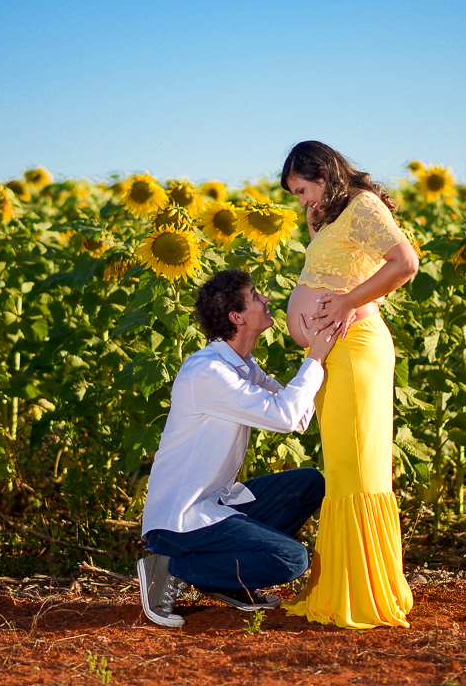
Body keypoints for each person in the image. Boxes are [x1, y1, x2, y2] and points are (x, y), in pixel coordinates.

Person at [137, 268, 340, 628]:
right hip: (180, 521)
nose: (266, 300)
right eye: (256, 296)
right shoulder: (208, 372)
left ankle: (226, 580)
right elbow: (286, 416)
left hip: (217, 503)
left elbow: (299, 416)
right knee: (291, 560)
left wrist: (316, 355)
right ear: (236, 316)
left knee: (309, 483)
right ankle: (170, 566)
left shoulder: (243, 366)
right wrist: (315, 357)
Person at [280, 140, 419, 629]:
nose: (302, 202)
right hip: (332, 355)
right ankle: (341, 583)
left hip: (357, 349)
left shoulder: (363, 205)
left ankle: (365, 594)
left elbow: (405, 263)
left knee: (358, 469)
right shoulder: (328, 215)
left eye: (303, 189)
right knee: (342, 469)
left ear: (322, 172)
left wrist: (344, 303)